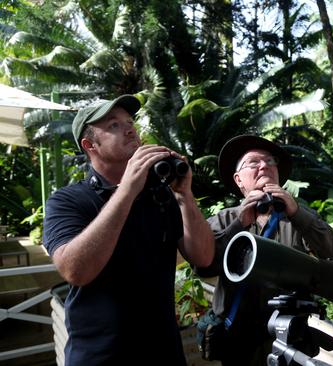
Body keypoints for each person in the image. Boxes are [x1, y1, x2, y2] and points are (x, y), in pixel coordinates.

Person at [42, 95, 214, 365]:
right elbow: (75, 270)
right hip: (101, 356)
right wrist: (128, 189)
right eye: (113, 125)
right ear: (90, 145)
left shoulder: (161, 195)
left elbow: (203, 257)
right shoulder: (66, 201)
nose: (130, 129)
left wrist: (184, 196)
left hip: (164, 353)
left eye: (129, 121)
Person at [195, 135, 333, 365]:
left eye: (270, 161)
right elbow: (205, 265)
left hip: (291, 339)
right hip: (239, 342)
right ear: (239, 180)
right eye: (253, 162)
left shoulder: (296, 217)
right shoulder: (223, 220)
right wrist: (239, 224)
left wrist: (297, 213)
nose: (264, 166)